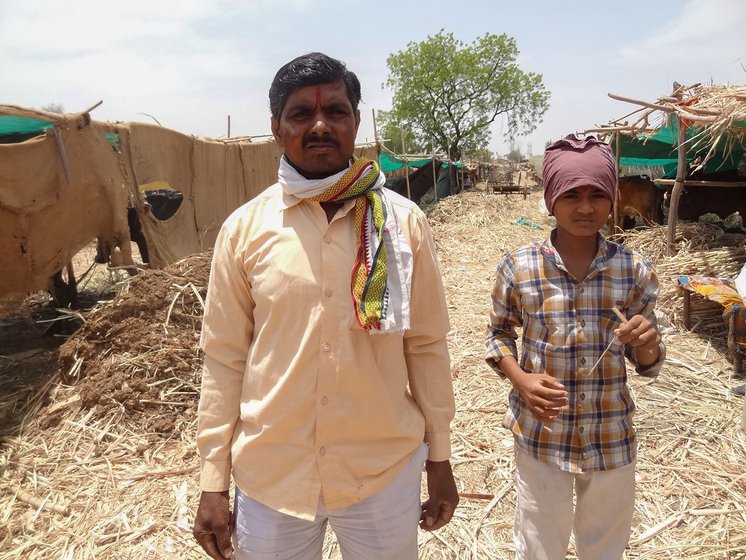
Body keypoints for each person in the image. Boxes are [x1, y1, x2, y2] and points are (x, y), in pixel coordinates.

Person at [193, 52, 459, 560]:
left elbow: (425, 346)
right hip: (273, 477)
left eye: (335, 111)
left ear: (355, 122)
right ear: (276, 128)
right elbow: (225, 359)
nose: (320, 126)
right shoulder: (244, 230)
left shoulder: (402, 224)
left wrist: (439, 458)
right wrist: (212, 480)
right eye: (301, 115)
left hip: (381, 471)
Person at [484, 134, 665, 560]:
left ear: (613, 199)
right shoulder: (519, 267)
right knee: (538, 544)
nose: (585, 207)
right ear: (551, 199)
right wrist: (522, 379)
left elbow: (649, 361)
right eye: (572, 195)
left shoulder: (633, 269)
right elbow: (497, 334)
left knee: (604, 546)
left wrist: (647, 342)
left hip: (610, 434)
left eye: (597, 195)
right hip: (542, 435)